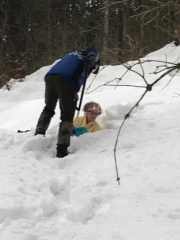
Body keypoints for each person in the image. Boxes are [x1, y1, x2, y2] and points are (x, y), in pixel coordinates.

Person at [35, 48, 100, 158]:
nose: (94, 71)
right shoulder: (91, 56)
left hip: (51, 77)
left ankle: (38, 136)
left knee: (49, 108)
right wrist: (93, 60)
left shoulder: (74, 55)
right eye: (95, 69)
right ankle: (62, 150)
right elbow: (92, 54)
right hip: (67, 81)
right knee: (67, 117)